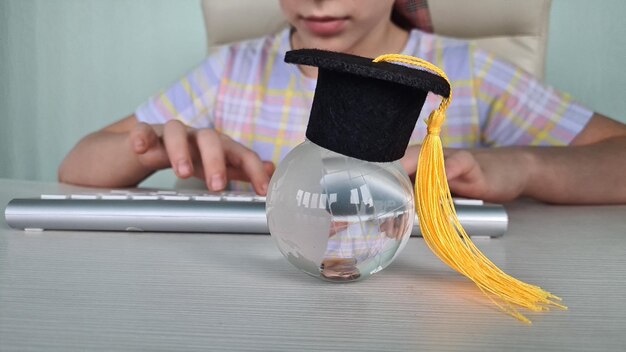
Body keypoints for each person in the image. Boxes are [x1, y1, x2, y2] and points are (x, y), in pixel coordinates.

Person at [58, 0, 626, 204]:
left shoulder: (469, 72)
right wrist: (155, 150)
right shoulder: (232, 71)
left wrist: (523, 167)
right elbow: (75, 166)